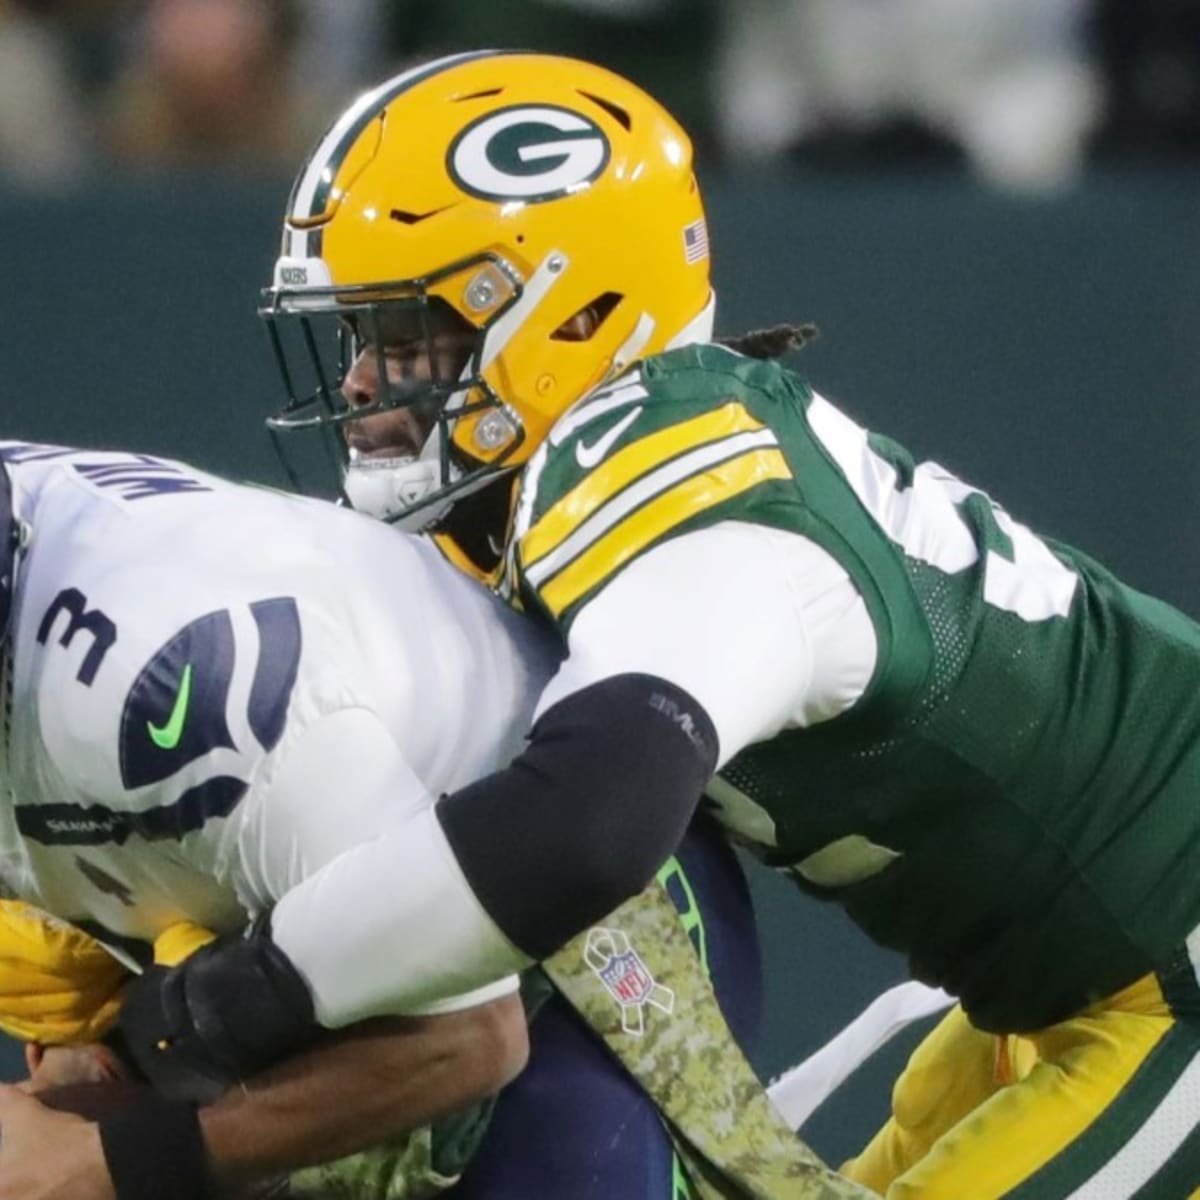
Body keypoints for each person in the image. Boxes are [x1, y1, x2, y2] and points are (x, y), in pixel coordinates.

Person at [132, 50, 1200, 1198]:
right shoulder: (574, 480)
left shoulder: (679, 498)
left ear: (571, 309)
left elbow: (583, 824)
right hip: (1069, 975)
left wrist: (243, 1001)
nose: (360, 384)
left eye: (405, 334)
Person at [0, 440, 838, 1200]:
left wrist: (102, 1165)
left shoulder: (174, 692)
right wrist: (101, 1067)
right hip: (281, 947)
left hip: (552, 935)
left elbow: (469, 1038)